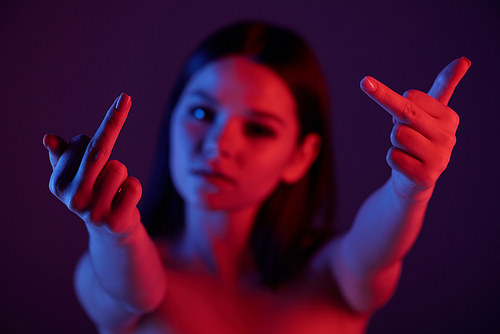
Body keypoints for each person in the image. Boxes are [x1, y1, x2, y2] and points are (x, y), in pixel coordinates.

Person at [43, 21, 470, 333]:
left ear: (301, 156)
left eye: (258, 128)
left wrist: (411, 187)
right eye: (200, 112)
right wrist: (113, 233)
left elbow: (375, 254)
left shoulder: (332, 276)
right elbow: (131, 290)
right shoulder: (124, 276)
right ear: (170, 118)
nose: (217, 144)